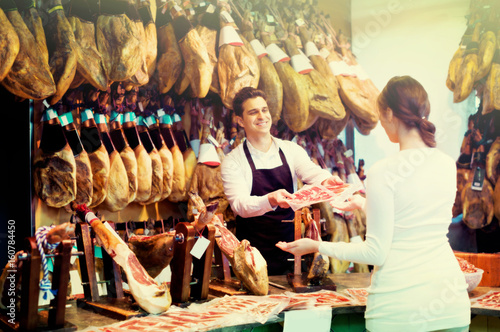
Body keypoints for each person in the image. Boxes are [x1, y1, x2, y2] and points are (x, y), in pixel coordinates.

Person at [277, 76, 471, 332]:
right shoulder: (446, 163)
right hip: (450, 305)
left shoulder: (384, 170)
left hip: (398, 310)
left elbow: (375, 252)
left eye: (381, 116)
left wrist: (316, 245)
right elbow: (412, 220)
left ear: (389, 113)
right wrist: (362, 203)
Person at [221, 87, 342, 275]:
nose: (262, 116)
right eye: (253, 112)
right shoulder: (233, 161)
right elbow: (239, 205)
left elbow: (311, 172)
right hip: (252, 256)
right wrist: (270, 199)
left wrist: (326, 180)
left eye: (264, 110)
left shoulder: (290, 150)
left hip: (291, 250)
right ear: (240, 121)